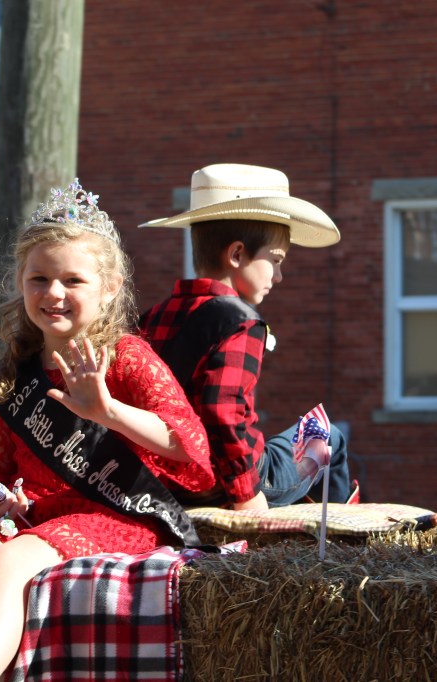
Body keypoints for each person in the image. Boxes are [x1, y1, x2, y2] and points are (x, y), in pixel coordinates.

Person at [0, 180, 214, 682]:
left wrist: (108, 410)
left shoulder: (127, 357)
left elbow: (192, 447)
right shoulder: (14, 373)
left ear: (111, 287)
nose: (54, 294)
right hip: (36, 517)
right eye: (39, 279)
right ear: (21, 281)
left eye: (73, 281)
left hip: (115, 514)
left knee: (7, 564)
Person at [138, 163, 355, 511]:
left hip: (168, 481)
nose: (279, 276)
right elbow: (223, 413)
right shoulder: (240, 322)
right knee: (330, 435)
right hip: (230, 483)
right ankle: (343, 542)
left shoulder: (153, 315)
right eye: (276, 260)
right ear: (238, 254)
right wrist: (247, 496)